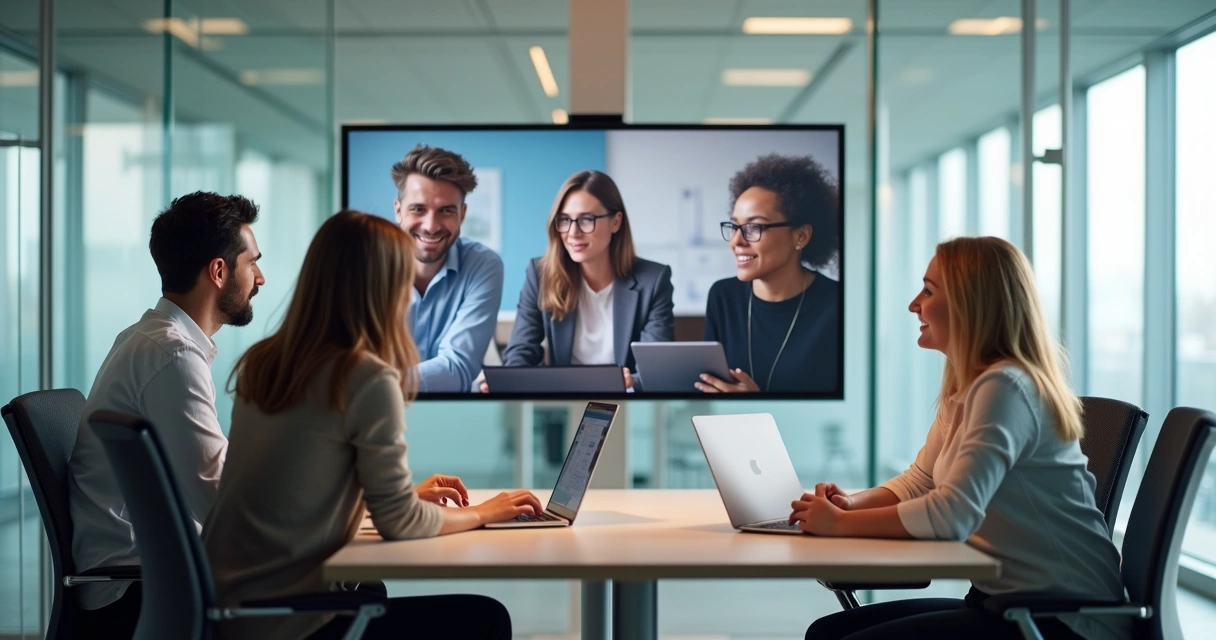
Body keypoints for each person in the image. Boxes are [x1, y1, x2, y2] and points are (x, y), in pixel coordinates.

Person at [204, 210, 542, 640]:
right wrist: (483, 513)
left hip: (228, 610)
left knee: (378, 591)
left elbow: (295, 490)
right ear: (382, 288)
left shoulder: (265, 362)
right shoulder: (366, 377)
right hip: (290, 620)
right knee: (486, 618)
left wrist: (399, 495)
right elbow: (399, 523)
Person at [794, 237, 1129, 640]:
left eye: (929, 291)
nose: (914, 304)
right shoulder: (971, 386)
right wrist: (851, 505)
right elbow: (921, 481)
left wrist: (841, 526)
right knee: (827, 633)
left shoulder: (1006, 386)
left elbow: (952, 515)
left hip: (1064, 618)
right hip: (1005, 602)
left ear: (972, 305)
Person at [68, 191, 265, 637]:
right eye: (252, 262)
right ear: (218, 271)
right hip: (142, 589)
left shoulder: (151, 340)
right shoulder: (172, 355)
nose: (261, 277)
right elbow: (219, 502)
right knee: (353, 592)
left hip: (147, 575)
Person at [498, 170, 674, 389]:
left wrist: (631, 382)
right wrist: (507, 381)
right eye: (564, 220)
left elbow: (654, 370)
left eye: (586, 219)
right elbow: (520, 353)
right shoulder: (541, 274)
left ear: (615, 222)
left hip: (625, 403)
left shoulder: (653, 280)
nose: (572, 232)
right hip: (565, 399)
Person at [698, 153, 841, 394]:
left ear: (800, 236)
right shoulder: (723, 296)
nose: (736, 241)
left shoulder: (836, 305)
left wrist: (758, 398)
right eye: (734, 226)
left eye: (754, 227)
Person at [392, 143, 504, 392]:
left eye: (445, 211)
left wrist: (374, 385)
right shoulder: (366, 268)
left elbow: (457, 368)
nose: (431, 226)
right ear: (398, 211)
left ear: (462, 215)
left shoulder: (483, 265)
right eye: (418, 209)